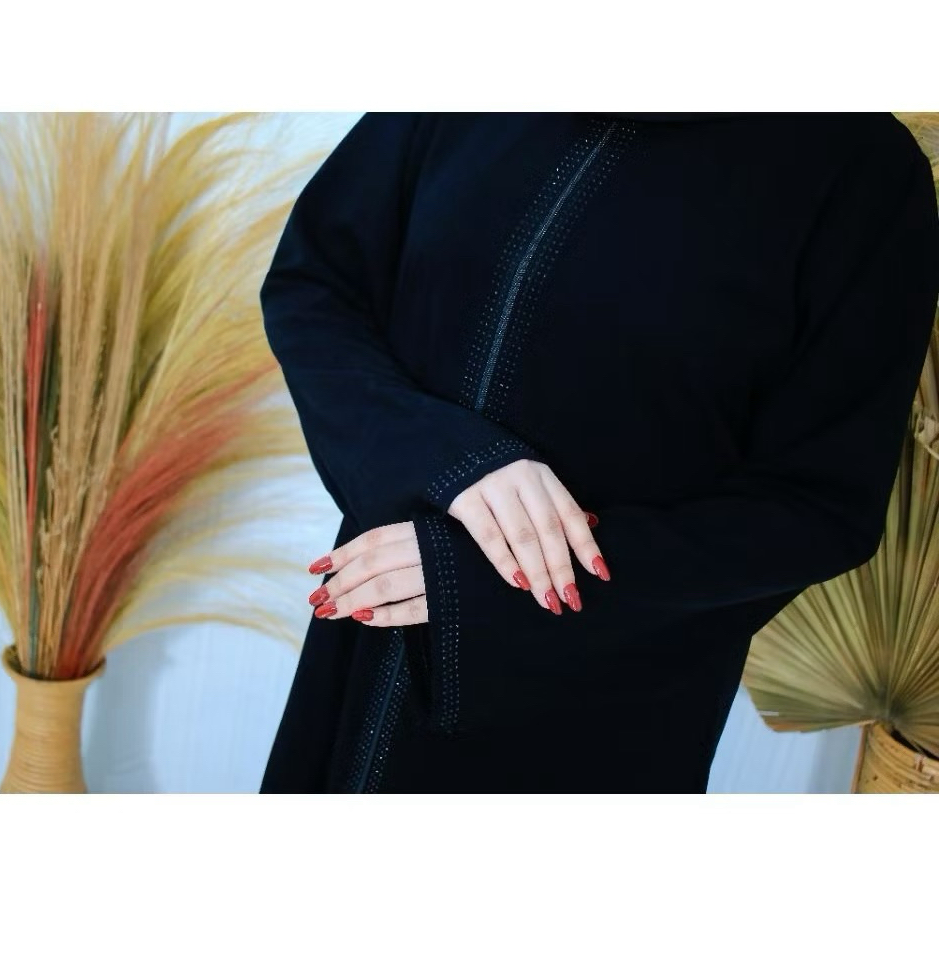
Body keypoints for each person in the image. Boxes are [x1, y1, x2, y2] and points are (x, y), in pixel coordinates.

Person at [257, 111, 939, 793]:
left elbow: (819, 507)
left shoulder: (857, 167)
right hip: (361, 637)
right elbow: (316, 284)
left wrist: (505, 584)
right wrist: (442, 459)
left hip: (590, 715)